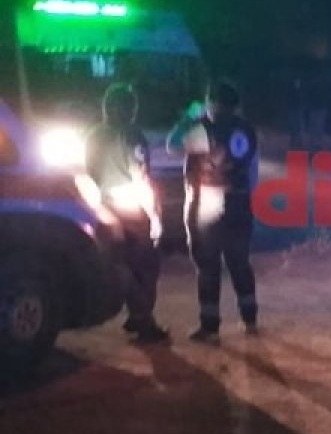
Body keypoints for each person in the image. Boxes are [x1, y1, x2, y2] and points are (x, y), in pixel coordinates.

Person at [167, 80, 259, 343]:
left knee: (207, 265)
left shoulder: (202, 129)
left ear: (211, 103)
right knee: (240, 262)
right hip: (239, 201)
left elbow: (172, 146)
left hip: (206, 203)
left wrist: (189, 116)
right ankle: (250, 319)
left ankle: (210, 326)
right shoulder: (246, 130)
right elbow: (253, 169)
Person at [85, 83, 170, 343]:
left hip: (104, 205)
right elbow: (140, 178)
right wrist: (154, 217)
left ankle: (136, 315)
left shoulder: (93, 136)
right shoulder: (132, 136)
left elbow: (89, 173)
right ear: (129, 109)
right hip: (131, 208)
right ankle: (144, 320)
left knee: (119, 263)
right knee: (146, 266)